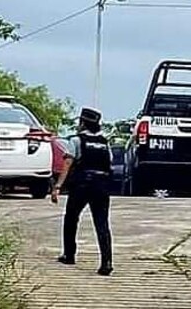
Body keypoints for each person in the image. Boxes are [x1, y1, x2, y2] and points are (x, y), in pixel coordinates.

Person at [52, 107, 113, 276]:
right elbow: (110, 163)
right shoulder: (104, 142)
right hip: (101, 185)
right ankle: (106, 262)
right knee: (102, 224)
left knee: (71, 218)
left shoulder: (76, 141)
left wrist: (58, 187)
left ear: (82, 123)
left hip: (82, 184)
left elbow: (67, 164)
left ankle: (69, 254)